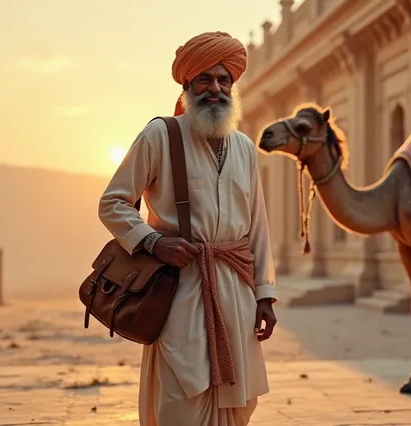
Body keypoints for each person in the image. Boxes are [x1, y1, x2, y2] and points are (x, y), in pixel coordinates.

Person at [98, 31, 277, 426]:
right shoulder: (160, 135)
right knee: (181, 396)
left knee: (238, 404)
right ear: (187, 85)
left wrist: (264, 294)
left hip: (236, 291)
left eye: (223, 80)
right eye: (205, 80)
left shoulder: (245, 147)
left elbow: (258, 227)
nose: (215, 88)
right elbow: (112, 203)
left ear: (233, 86)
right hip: (181, 289)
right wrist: (154, 241)